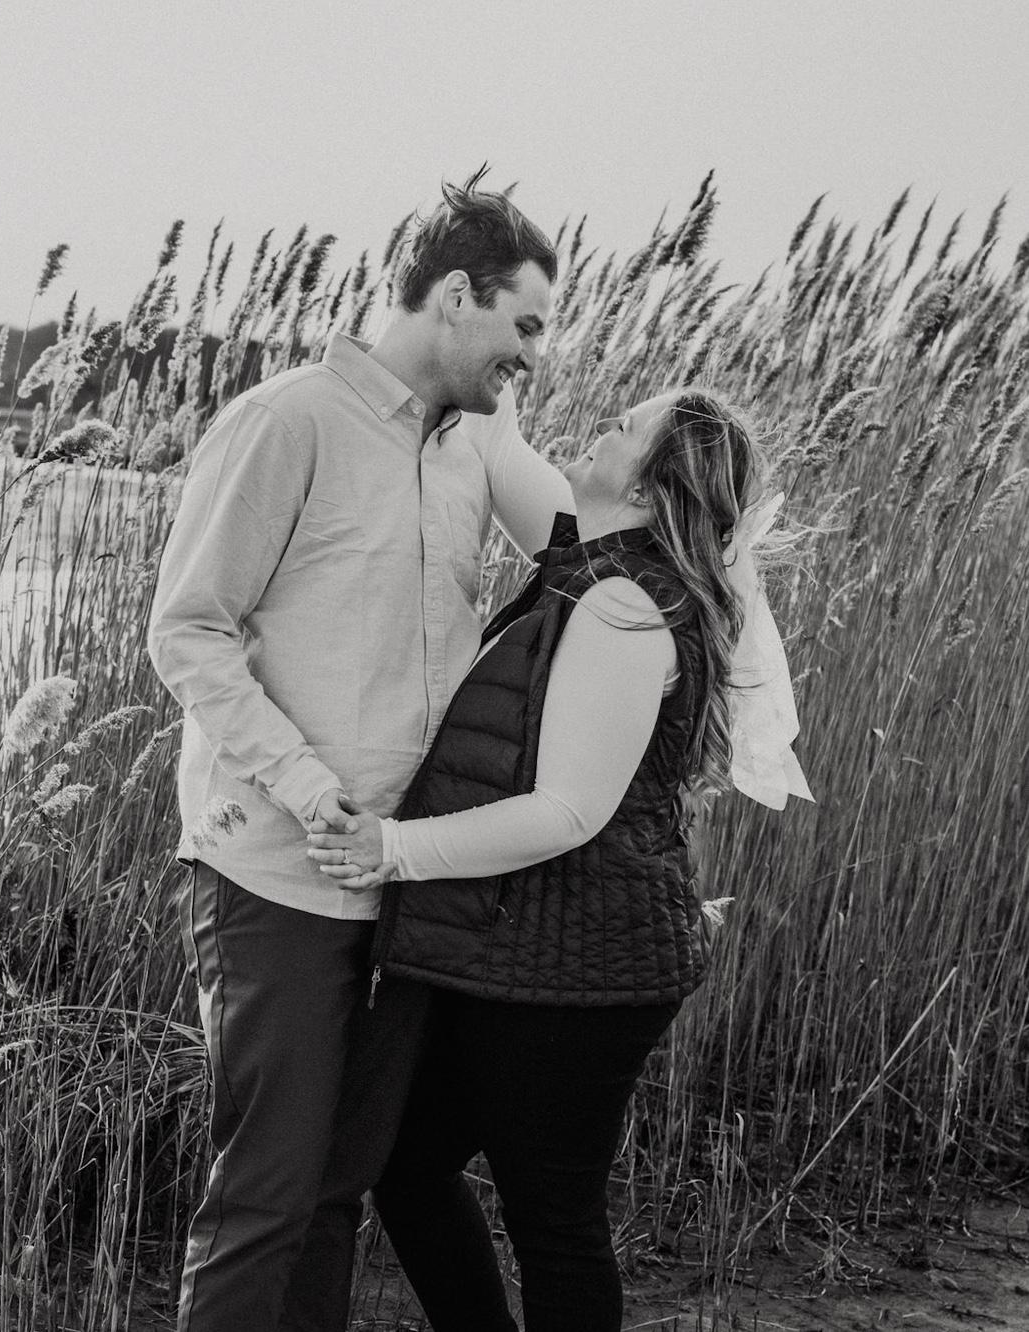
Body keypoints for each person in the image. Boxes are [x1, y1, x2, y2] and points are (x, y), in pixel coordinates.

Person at [146, 169, 573, 1332]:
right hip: (272, 874)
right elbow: (187, 630)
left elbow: (584, 565)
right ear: (455, 294)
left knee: (337, 1192)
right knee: (265, 1197)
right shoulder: (286, 421)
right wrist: (303, 783)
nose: (534, 355)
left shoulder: (470, 453)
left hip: (402, 884)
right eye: (527, 323)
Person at [307, 388, 812, 1331]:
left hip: (588, 968)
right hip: (532, 951)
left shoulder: (625, 604)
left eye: (626, 429)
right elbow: (504, 458)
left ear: (650, 491)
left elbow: (568, 811)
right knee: (410, 1163)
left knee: (554, 1222)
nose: (604, 425)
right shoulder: (603, 557)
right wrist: (473, 369)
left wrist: (393, 849)